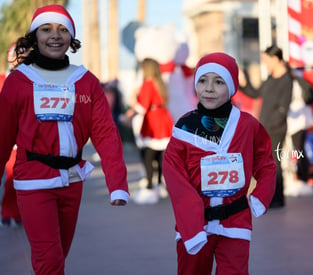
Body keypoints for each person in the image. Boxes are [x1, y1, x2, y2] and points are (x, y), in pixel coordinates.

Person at [0, 4, 129, 275]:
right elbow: (2, 135)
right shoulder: (18, 82)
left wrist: (117, 183)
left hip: (72, 180)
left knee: (58, 255)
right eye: (46, 29)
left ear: (71, 37)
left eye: (62, 29)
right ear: (35, 36)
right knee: (49, 261)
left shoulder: (87, 82)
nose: (55, 35)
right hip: (32, 179)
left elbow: (105, 133)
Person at [162, 52, 276, 275]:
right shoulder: (185, 126)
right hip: (195, 224)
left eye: (219, 82)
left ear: (232, 86)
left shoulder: (247, 125)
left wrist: (260, 196)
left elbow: (266, 163)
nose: (209, 88)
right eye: (203, 80)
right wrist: (190, 214)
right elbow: (172, 171)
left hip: (235, 221)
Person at [238, 44, 292, 208]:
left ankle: (277, 199)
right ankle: (272, 197)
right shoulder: (270, 78)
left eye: (266, 60)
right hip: (265, 128)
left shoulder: (286, 80)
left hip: (275, 129)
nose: (265, 64)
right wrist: (242, 83)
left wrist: (269, 126)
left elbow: (283, 109)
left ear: (275, 59)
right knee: (267, 163)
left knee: (274, 162)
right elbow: (255, 93)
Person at [128, 58, 173, 204]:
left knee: (148, 157)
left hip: (152, 122)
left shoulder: (147, 84)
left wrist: (129, 117)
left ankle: (149, 187)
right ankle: (159, 185)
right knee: (160, 157)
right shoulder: (161, 83)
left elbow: (142, 106)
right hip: (163, 119)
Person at [0, 44, 22, 227]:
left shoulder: (31, 80)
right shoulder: (2, 80)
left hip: (24, 139)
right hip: (5, 136)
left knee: (21, 179)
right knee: (10, 177)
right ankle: (7, 212)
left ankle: (19, 214)